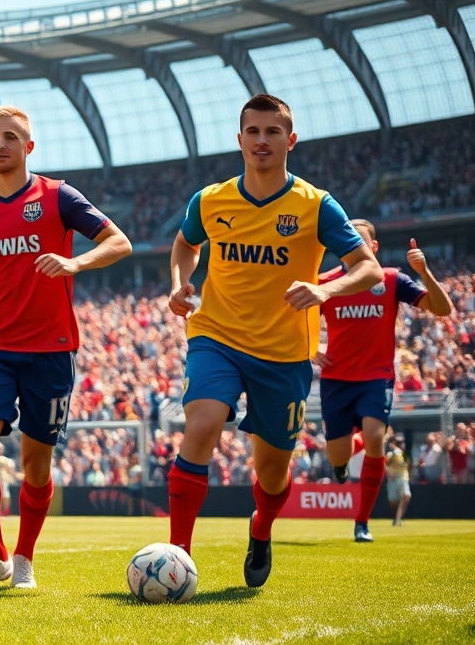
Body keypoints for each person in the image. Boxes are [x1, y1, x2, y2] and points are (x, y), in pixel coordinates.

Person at [167, 94, 383, 588]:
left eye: (272, 132)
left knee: (270, 473)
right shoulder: (211, 199)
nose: (262, 140)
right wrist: (179, 283)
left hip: (284, 354)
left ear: (291, 139)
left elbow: (367, 266)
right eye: (253, 132)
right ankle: (177, 555)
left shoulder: (316, 204)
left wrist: (323, 288)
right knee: (201, 425)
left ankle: (261, 529)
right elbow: (185, 243)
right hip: (215, 335)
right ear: (239, 139)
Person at [0, 104, 131, 594]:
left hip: (52, 348)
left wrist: (76, 264)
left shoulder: (58, 196)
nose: (0, 144)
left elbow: (119, 242)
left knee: (35, 464)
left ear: (29, 146)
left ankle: (25, 556)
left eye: (10, 137)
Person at [316, 222, 452, 542]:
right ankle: (342, 462)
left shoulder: (392, 279)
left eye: (359, 242)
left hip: (376, 377)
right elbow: (294, 320)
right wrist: (310, 348)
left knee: (375, 435)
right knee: (337, 454)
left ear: (373, 248)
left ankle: (361, 522)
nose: (351, 247)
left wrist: (424, 271)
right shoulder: (326, 283)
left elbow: (442, 309)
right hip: (335, 379)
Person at [385, 434, 410, 526]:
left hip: (403, 478)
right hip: (393, 479)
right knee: (393, 501)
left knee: (406, 496)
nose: (401, 444)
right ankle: (396, 518)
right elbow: (386, 465)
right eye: (399, 443)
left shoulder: (404, 454)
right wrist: (389, 472)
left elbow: (408, 465)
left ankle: (398, 519)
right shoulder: (391, 454)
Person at [0, 442, 20, 516]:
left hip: (2, 481)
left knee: (5, 495)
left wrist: (16, 475)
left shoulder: (5, 460)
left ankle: (5, 511)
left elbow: (11, 471)